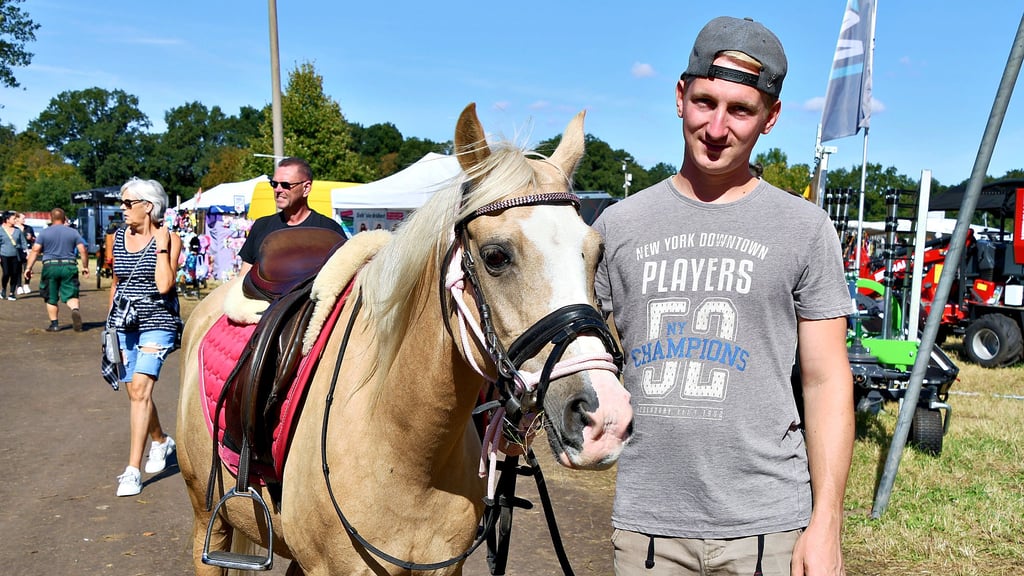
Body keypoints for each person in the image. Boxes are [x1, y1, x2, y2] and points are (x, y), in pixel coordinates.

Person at [592, 16, 854, 576]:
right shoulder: (618, 226)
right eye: (705, 102)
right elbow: (578, 357)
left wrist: (826, 522)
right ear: (680, 96)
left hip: (769, 527)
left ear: (771, 118)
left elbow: (827, 379)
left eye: (740, 110)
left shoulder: (804, 229)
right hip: (649, 528)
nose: (716, 127)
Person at [107, 178, 183, 497]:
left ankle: (131, 470)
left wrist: (163, 245)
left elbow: (164, 284)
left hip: (158, 320)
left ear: (148, 207)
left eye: (128, 203)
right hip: (124, 323)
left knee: (140, 389)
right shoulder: (117, 236)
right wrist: (109, 322)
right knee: (135, 394)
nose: (122, 209)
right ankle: (161, 441)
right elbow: (116, 280)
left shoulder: (170, 238)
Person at [237, 157, 344, 276]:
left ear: (306, 188)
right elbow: (243, 277)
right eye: (274, 184)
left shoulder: (329, 231)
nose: (278, 189)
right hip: (262, 295)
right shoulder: (261, 226)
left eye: (285, 185)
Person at [24, 208, 89, 331]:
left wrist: (28, 268)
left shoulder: (44, 233)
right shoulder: (73, 232)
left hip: (50, 266)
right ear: (65, 219)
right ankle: (74, 310)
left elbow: (35, 250)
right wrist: (85, 266)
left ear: (51, 218)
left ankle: (54, 324)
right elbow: (82, 249)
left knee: (51, 296)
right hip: (69, 265)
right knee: (72, 294)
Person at [1, 211, 28, 300]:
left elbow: (23, 242)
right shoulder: (1, 230)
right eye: (13, 219)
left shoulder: (17, 231)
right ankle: (4, 289)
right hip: (4, 255)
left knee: (15, 274)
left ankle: (12, 293)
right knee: (6, 273)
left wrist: (27, 252)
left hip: (16, 255)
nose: (15, 220)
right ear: (7, 220)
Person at [15, 212, 36, 295]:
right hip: (17, 250)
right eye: (22, 218)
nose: (24, 220)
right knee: (17, 269)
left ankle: (26, 284)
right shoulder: (14, 228)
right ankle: (19, 286)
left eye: (24, 218)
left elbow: (34, 239)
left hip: (28, 251)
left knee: (28, 267)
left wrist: (31, 238)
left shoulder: (29, 228)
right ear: (17, 219)